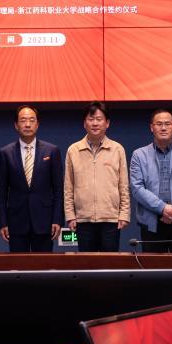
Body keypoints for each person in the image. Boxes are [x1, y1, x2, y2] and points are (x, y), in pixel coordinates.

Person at [129, 109, 172, 253]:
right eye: (159, 124)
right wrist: (162, 208)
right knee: (153, 266)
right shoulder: (139, 155)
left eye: (167, 124)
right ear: (152, 127)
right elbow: (137, 188)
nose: (163, 128)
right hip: (151, 222)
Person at [0, 105, 63, 252]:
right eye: (23, 120)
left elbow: (58, 190)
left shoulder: (52, 151)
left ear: (37, 124)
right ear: (16, 125)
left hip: (44, 221)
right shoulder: (5, 153)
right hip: (16, 222)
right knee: (18, 265)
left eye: (32, 120)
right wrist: (2, 223)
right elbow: (1, 193)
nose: (27, 124)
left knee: (43, 264)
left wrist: (57, 219)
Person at [64, 101, 129, 252]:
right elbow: (68, 187)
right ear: (84, 123)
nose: (95, 123)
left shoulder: (117, 149)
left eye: (99, 119)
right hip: (83, 219)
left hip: (111, 219)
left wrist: (124, 214)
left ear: (107, 123)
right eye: (91, 119)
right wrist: (70, 215)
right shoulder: (73, 150)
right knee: (86, 263)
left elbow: (124, 185)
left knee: (110, 264)